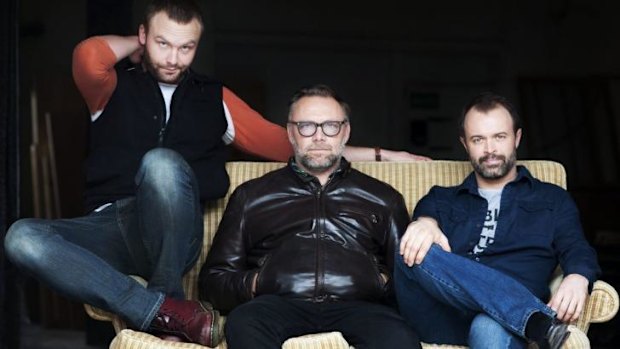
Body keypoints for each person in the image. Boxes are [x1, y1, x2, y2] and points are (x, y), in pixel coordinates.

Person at [7, 0, 427, 345]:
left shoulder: (213, 98)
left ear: (197, 47)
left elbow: (289, 141)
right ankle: (164, 312)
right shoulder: (111, 86)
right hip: (109, 225)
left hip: (173, 227)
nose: (173, 58)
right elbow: (88, 55)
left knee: (161, 164)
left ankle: (167, 296)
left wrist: (382, 153)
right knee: (21, 236)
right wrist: (132, 47)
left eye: (185, 47)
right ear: (142, 38)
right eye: (162, 43)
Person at [199, 84, 421, 349]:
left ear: (345, 131)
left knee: (400, 338)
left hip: (361, 307)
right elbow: (213, 282)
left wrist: (378, 282)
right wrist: (258, 281)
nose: (318, 137)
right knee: (243, 323)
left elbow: (411, 280)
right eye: (306, 126)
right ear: (291, 133)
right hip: (277, 305)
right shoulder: (252, 196)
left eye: (330, 126)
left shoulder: (384, 198)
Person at [393, 92, 601, 349]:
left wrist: (579, 276)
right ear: (465, 144)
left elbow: (577, 247)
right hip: (443, 317)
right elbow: (420, 238)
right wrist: (424, 222)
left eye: (499, 137)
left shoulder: (551, 199)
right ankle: (535, 321)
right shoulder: (440, 199)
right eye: (478, 139)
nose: (490, 150)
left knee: (488, 325)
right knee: (410, 246)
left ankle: (524, 317)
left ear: (517, 138)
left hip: (498, 324)